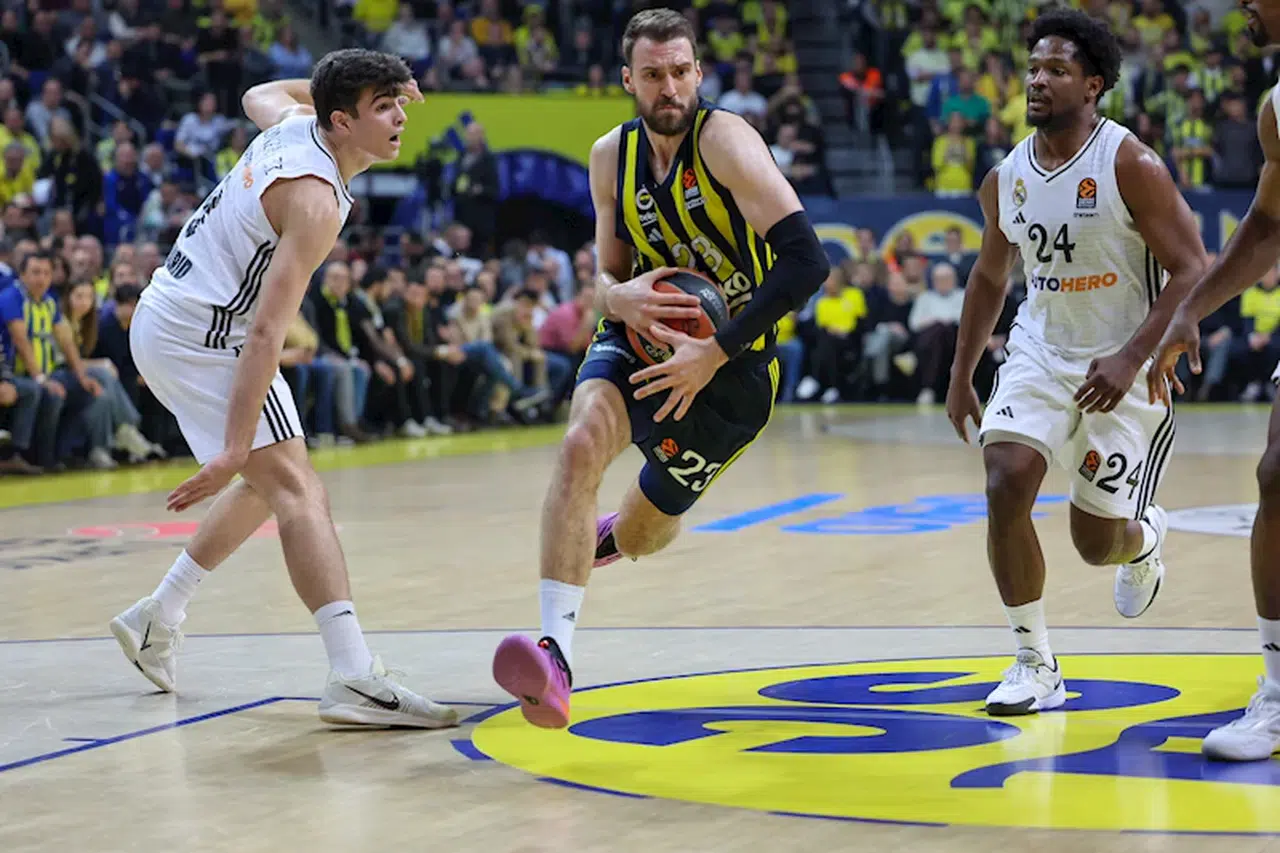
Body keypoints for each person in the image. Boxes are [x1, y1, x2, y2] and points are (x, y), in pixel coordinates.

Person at [491, 7, 829, 729]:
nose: (669, 87)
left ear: (699, 73)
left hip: (733, 371)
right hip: (637, 339)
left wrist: (716, 350)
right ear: (628, 80)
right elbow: (607, 277)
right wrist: (616, 298)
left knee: (644, 535)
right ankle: (556, 657)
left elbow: (809, 262)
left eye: (680, 72)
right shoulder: (608, 156)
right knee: (579, 445)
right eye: (652, 75)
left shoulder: (727, 142)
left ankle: (611, 534)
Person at [108, 50, 458, 729]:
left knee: (271, 483)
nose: (399, 117)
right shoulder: (315, 200)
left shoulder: (293, 120)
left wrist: (350, 87)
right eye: (381, 106)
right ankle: (352, 675)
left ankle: (157, 616)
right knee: (298, 490)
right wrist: (233, 447)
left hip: (171, 315)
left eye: (397, 101)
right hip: (206, 335)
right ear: (341, 121)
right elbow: (268, 333)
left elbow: (257, 91)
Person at [945, 8, 1209, 717]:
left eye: (1056, 70)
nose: (1037, 80)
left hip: (1124, 366)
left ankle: (1144, 539)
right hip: (1039, 351)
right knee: (1004, 481)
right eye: (1033, 68)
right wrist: (961, 372)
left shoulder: (1130, 163)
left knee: (1096, 544)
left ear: (1093, 85)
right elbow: (990, 276)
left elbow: (1192, 266)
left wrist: (1131, 356)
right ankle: (1035, 662)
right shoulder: (1007, 176)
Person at [1147, 0, 1280, 764]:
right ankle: (1279, 689)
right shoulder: (1276, 108)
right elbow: (1267, 225)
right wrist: (1190, 308)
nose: (1242, 7)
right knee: (1278, 476)